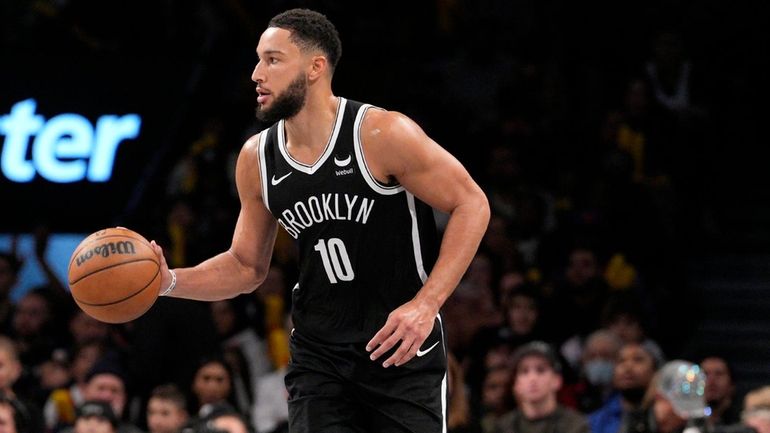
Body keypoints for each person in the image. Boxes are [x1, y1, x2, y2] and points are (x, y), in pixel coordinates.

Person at [150, 7, 490, 433]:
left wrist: (427, 304)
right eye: (258, 58)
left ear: (315, 67)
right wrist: (168, 282)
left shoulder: (381, 134)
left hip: (401, 349)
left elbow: (472, 204)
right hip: (319, 355)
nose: (256, 73)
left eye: (273, 59)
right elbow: (245, 267)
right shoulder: (257, 158)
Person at [494, 341, 589, 433]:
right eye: (524, 371)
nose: (532, 378)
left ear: (557, 380)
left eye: (541, 370)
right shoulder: (504, 426)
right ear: (516, 384)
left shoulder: (574, 424)